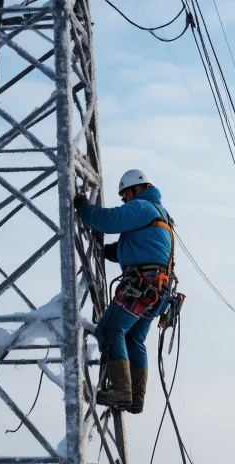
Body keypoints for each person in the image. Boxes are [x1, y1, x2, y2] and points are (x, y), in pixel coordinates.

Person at [73, 169, 176, 414]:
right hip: (158, 291)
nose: (125, 200)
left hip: (142, 285)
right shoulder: (161, 213)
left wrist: (84, 209)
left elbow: (108, 221)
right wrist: (114, 252)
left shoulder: (142, 206)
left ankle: (121, 391)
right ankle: (135, 397)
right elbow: (143, 246)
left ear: (135, 190)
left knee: (110, 329)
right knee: (133, 338)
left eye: (125, 196)